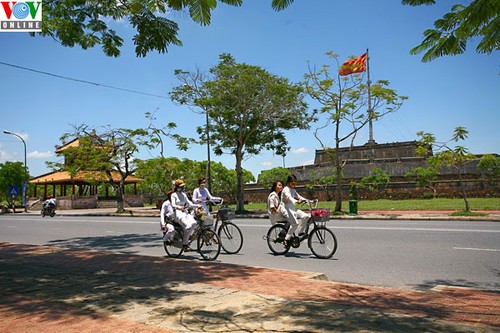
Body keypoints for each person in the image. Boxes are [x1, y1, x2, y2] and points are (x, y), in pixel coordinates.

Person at [170, 179, 199, 251]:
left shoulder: (184, 195)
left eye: (183, 186)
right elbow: (173, 205)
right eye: (181, 187)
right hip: (178, 214)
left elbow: (190, 203)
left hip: (185, 212)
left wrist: (197, 206)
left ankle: (187, 236)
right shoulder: (173, 195)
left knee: (194, 223)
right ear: (177, 187)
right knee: (188, 226)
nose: (183, 188)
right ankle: (185, 244)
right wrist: (180, 208)